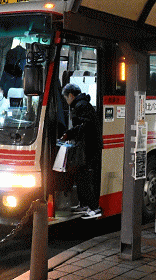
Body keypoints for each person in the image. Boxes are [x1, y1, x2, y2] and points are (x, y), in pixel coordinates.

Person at [61, 83, 103, 219]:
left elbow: (85, 126)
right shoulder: (82, 104)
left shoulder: (81, 106)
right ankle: (84, 204)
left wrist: (68, 134)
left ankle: (94, 208)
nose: (66, 101)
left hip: (88, 148)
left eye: (66, 98)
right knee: (80, 175)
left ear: (71, 95)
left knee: (85, 178)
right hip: (87, 146)